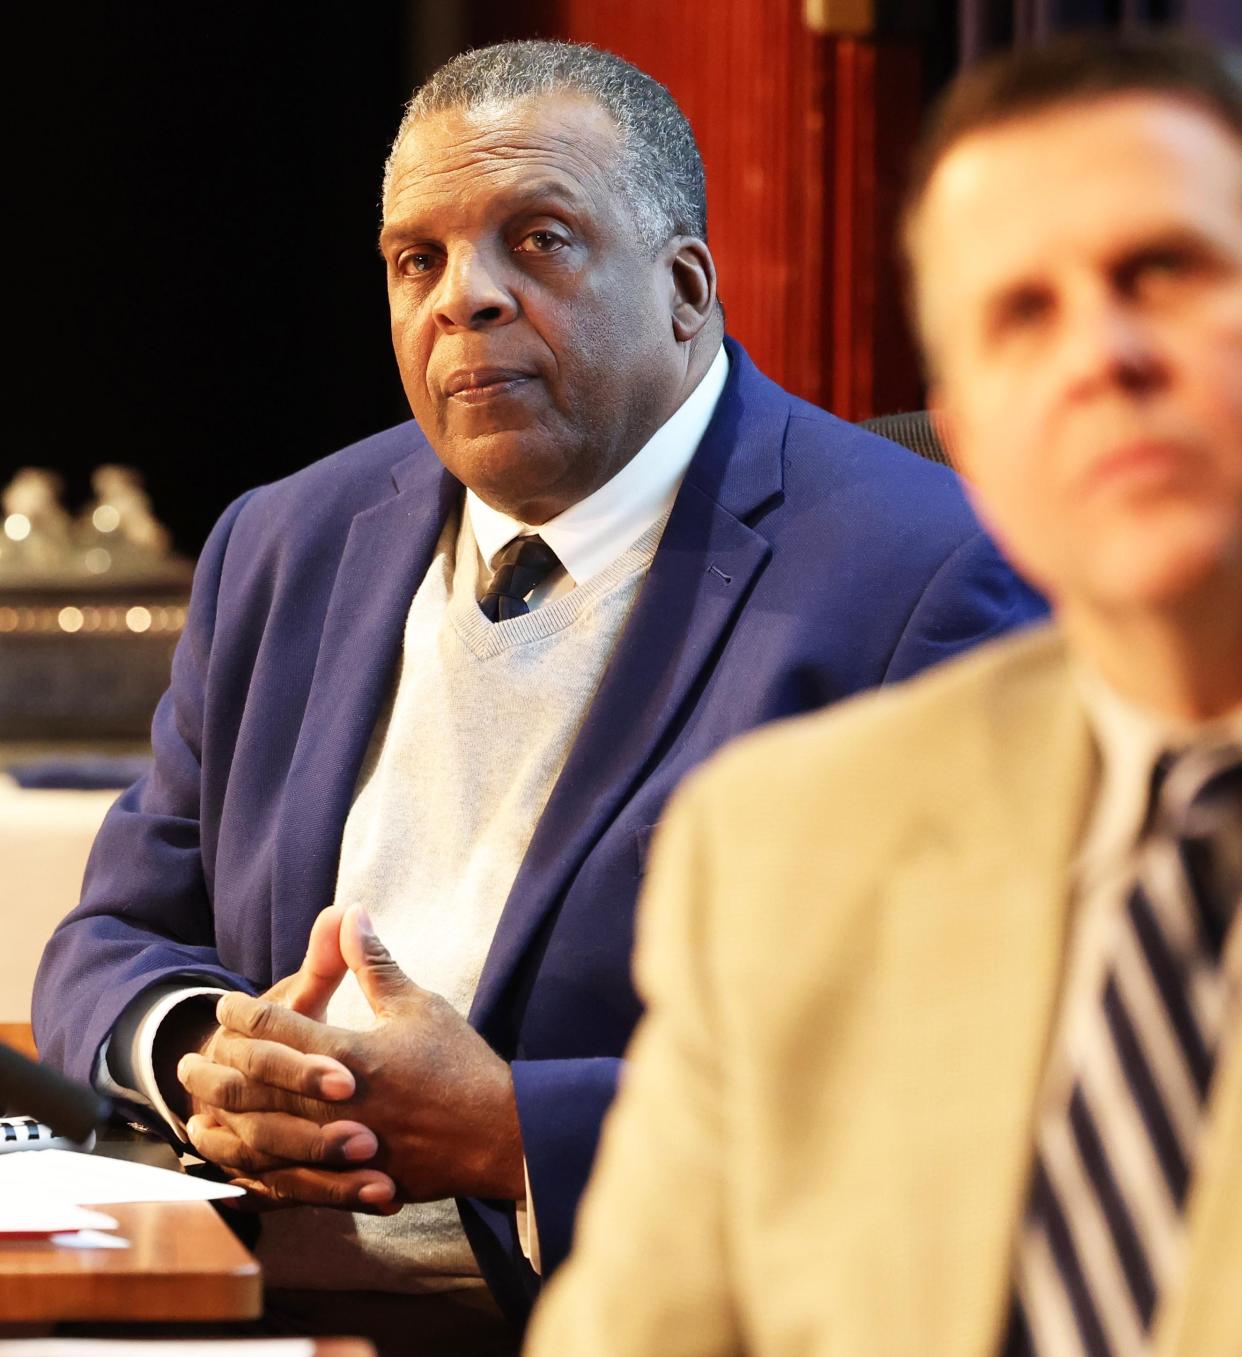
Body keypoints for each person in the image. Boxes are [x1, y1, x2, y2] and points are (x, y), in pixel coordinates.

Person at [32, 39, 1040, 1353]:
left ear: (685, 290)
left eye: (540, 240)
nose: (468, 300)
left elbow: (961, 1083)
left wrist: (513, 1128)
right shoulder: (286, 539)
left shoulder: (924, 573)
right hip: (239, 1302)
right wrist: (195, 1049)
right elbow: (107, 936)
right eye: (419, 261)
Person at [525, 31, 1242, 1357]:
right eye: (1018, 315)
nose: (1102, 354)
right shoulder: (786, 852)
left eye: (1163, 270)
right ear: (962, 433)